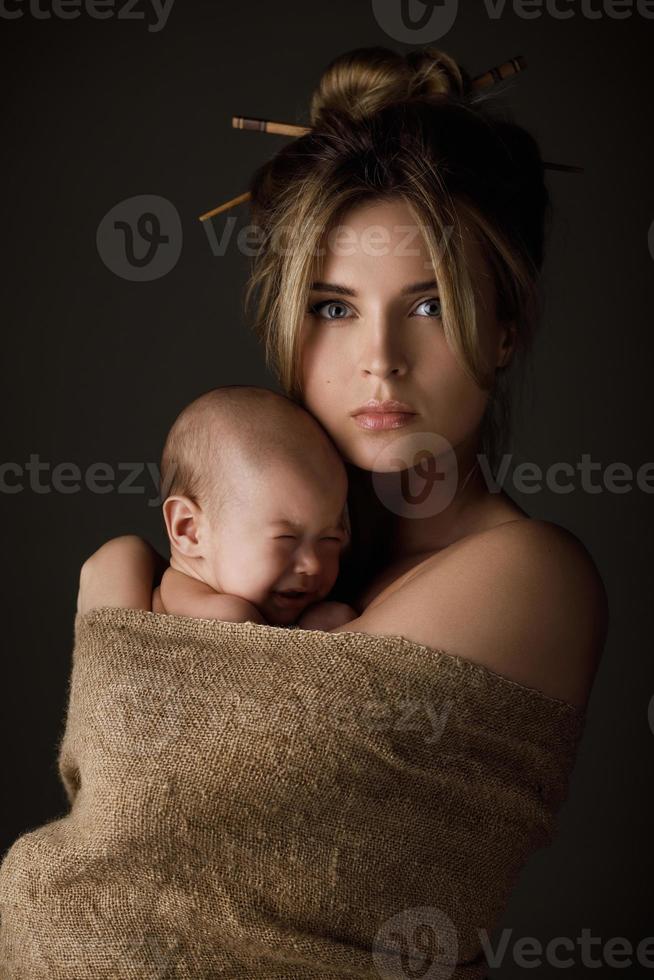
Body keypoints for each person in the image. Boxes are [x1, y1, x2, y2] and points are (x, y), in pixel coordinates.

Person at [78, 45, 608, 710]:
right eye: (333, 308)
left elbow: (221, 758)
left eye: (430, 305)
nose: (380, 358)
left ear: (504, 329)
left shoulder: (529, 572)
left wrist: (112, 587)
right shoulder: (298, 575)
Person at [150, 384, 356, 629]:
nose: (313, 564)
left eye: (330, 540)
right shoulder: (226, 617)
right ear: (189, 529)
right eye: (286, 538)